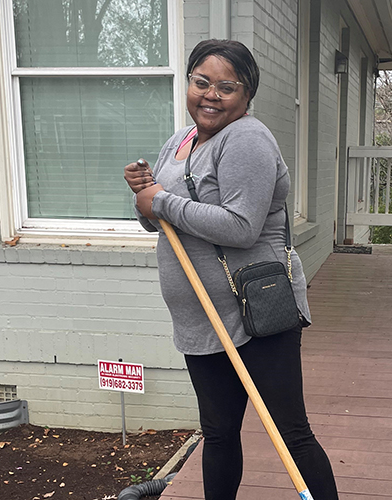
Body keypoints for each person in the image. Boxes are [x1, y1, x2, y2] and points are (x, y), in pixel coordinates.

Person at [124, 39, 339, 500]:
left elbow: (241, 226)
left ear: (246, 95)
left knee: (290, 432)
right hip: (200, 319)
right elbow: (159, 223)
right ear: (189, 82)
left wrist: (159, 199)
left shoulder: (246, 138)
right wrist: (145, 198)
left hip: (255, 313)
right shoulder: (180, 140)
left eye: (227, 87)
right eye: (202, 82)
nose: (211, 95)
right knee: (218, 433)